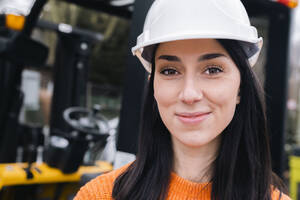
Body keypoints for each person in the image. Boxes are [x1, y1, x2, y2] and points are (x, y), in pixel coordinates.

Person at [75, 0, 291, 199]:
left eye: (212, 69)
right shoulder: (99, 195)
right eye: (170, 71)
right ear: (153, 86)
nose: (189, 94)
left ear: (240, 87)